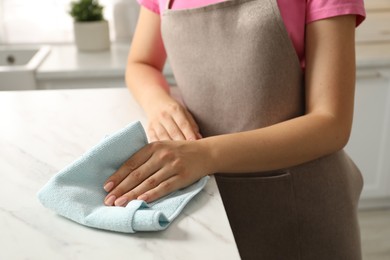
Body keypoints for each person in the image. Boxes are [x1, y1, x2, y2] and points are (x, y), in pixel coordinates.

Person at [103, 0, 366, 258]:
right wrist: (160, 105)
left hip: (301, 207)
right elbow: (142, 63)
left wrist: (204, 155)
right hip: (205, 203)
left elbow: (331, 123)